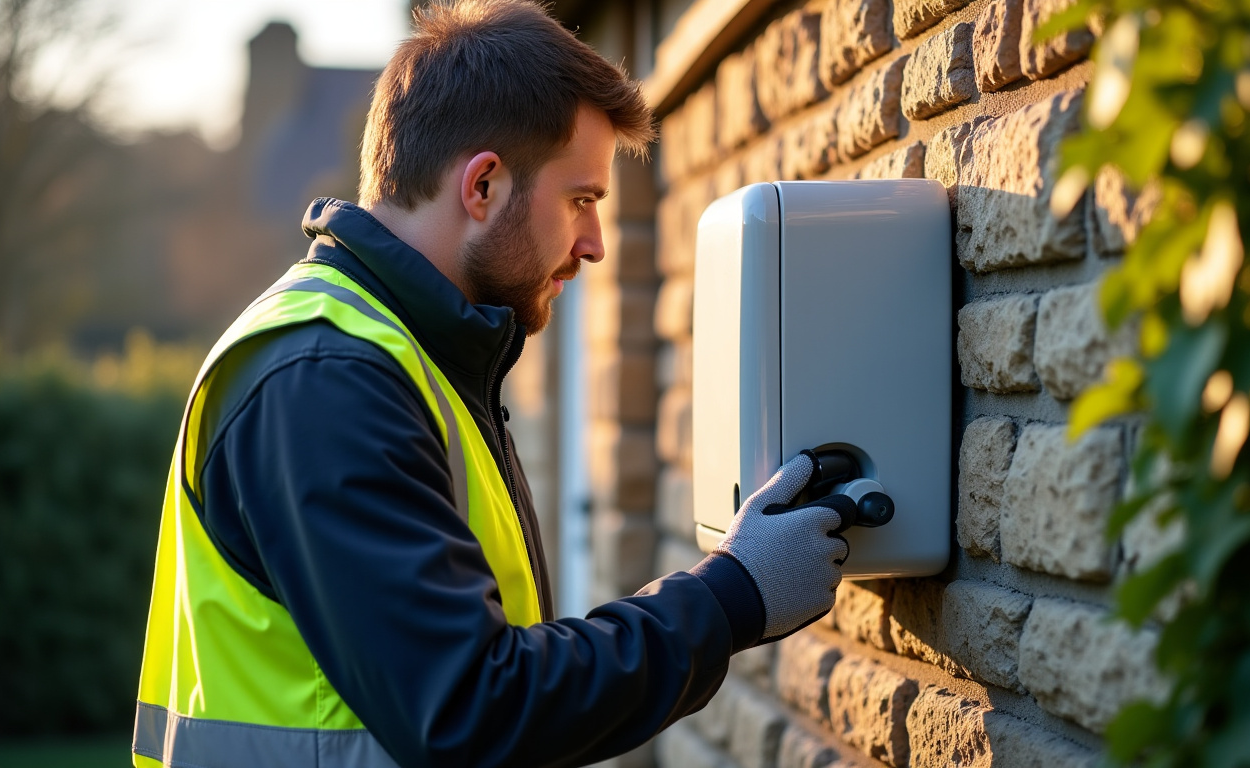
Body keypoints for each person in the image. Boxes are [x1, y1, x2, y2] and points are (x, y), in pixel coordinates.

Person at [131, 2, 855, 766]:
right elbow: (472, 710)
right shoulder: (326, 382)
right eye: (581, 200)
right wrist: (730, 596)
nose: (595, 244)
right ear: (482, 186)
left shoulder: (411, 355)